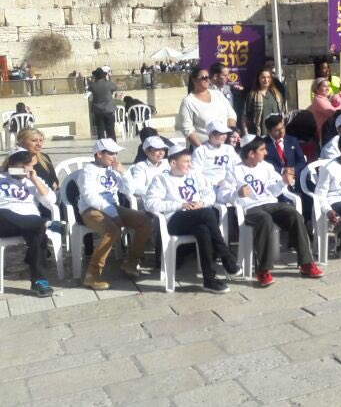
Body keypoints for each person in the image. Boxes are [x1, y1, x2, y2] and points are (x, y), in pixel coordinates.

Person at [222, 136, 323, 287]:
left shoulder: (266, 167)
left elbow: (274, 191)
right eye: (262, 150)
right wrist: (237, 193)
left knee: (294, 214)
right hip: (250, 208)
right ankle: (263, 270)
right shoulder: (234, 170)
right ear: (251, 153)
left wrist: (283, 182)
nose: (266, 153)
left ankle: (306, 263)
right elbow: (222, 195)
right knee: (265, 220)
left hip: (270, 203)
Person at [144, 145, 239, 293]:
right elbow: (150, 204)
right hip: (174, 220)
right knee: (208, 213)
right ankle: (226, 256)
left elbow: (210, 193)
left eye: (190, 161)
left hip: (196, 216)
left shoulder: (193, 175)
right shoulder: (162, 179)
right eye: (186, 161)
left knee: (203, 230)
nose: (190, 165)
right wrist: (180, 205)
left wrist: (202, 202)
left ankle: (209, 280)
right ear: (173, 163)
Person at [77, 138, 152, 290]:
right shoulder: (88, 171)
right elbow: (90, 197)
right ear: (99, 154)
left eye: (116, 153)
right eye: (111, 153)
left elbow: (129, 191)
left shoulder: (112, 169)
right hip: (91, 209)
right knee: (112, 230)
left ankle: (130, 263)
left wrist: (124, 173)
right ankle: (92, 274)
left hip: (113, 206)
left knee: (144, 221)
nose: (115, 157)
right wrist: (113, 214)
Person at [0, 149, 58, 297]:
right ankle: (45, 223)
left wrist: (35, 180)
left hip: (31, 223)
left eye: (29, 165)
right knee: (3, 213)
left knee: (38, 233)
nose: (27, 169)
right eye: (23, 166)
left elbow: (51, 201)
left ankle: (39, 280)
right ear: (11, 165)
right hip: (5, 223)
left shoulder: (33, 180)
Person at [178, 67, 237, 147]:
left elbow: (231, 114)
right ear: (194, 80)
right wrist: (202, 149)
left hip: (225, 146)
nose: (207, 80)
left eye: (208, 77)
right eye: (204, 77)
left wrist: (231, 133)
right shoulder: (188, 101)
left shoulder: (218, 94)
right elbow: (187, 129)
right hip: (203, 147)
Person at [192, 121, 241, 203]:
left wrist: (230, 182)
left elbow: (238, 166)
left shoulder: (229, 149)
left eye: (225, 133)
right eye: (221, 134)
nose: (224, 136)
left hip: (229, 186)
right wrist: (214, 183)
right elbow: (195, 173)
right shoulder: (201, 151)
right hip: (209, 188)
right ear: (211, 135)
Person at [244, 68, 284, 137]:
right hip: (258, 134)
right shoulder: (252, 95)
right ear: (258, 79)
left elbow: (282, 114)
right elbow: (245, 116)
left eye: (268, 77)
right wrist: (246, 133)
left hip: (275, 134)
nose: (266, 80)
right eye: (263, 77)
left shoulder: (277, 95)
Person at [209, 62, 245, 130]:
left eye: (228, 75)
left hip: (229, 127)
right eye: (225, 75)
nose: (228, 77)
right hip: (214, 129)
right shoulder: (206, 91)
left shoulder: (229, 89)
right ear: (215, 77)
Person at [88, 66, 119, 140]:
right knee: (110, 130)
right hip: (108, 109)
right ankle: (112, 145)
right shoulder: (108, 83)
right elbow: (115, 87)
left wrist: (93, 81)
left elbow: (89, 90)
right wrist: (108, 79)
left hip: (98, 111)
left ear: (95, 76)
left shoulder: (92, 85)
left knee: (100, 130)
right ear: (104, 75)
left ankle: (102, 146)